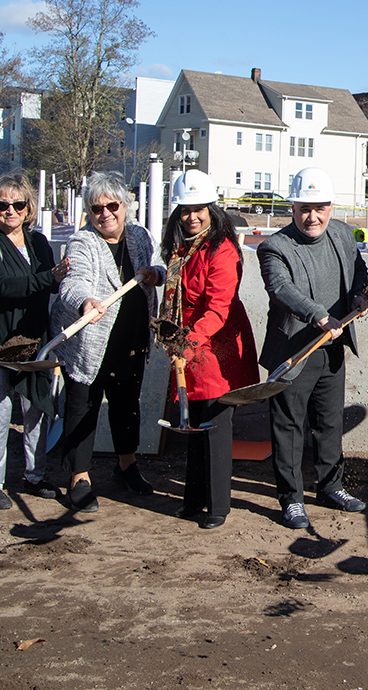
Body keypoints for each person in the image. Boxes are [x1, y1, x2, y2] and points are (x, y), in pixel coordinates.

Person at [258, 166, 368, 530]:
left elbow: (358, 269)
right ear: (292, 208)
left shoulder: (341, 234)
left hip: (332, 348)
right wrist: (319, 315)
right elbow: (282, 290)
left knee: (329, 422)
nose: (312, 216)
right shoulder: (275, 247)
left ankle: (330, 486)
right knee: (288, 426)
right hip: (294, 351)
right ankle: (290, 498)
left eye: (319, 207)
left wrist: (360, 294)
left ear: (331, 207)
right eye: (304, 208)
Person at [51, 171, 166, 513]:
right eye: (97, 209)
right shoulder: (83, 242)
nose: (106, 215)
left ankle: (126, 465)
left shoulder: (139, 236)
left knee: (127, 404)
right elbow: (73, 282)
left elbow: (158, 266)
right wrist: (86, 301)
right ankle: (79, 477)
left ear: (125, 206)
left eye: (112, 206)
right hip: (91, 343)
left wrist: (155, 275)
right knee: (82, 406)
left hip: (131, 339)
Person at [161, 170, 259, 530]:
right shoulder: (179, 248)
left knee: (215, 425)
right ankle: (193, 500)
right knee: (194, 426)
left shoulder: (222, 249)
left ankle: (218, 506)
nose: (192, 216)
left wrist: (187, 343)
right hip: (187, 345)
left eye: (199, 208)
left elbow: (218, 307)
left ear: (211, 209)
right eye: (185, 210)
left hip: (216, 348)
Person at [0, 171, 68, 509]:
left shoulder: (39, 242)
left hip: (35, 335)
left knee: (37, 407)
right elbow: (3, 284)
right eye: (2, 204)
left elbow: (55, 285)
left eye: (17, 204)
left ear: (29, 208)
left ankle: (34, 476)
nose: (9, 211)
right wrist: (47, 277)